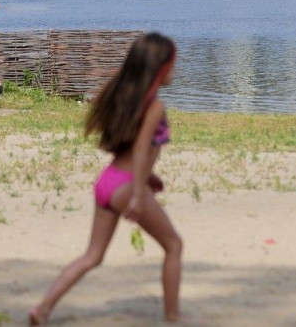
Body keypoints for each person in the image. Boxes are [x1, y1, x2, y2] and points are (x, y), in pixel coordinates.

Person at [29, 33, 182, 326]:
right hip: (125, 186)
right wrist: (138, 192)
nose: (175, 69)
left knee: (93, 256)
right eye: (173, 63)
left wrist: (150, 177)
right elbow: (140, 148)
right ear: (161, 67)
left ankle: (43, 308)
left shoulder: (127, 96)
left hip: (108, 181)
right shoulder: (154, 106)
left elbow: (134, 146)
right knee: (174, 246)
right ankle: (174, 317)